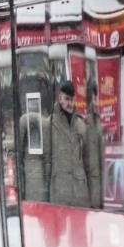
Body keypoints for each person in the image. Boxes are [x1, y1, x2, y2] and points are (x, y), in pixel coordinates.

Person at [43, 80, 92, 207]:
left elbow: (88, 162)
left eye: (72, 99)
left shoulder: (81, 125)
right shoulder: (49, 124)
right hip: (60, 193)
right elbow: (46, 160)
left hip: (80, 195)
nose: (70, 103)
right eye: (67, 99)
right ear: (60, 99)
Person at [84, 80, 103, 209]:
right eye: (96, 97)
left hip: (110, 185)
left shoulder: (110, 117)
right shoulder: (84, 120)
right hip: (90, 185)